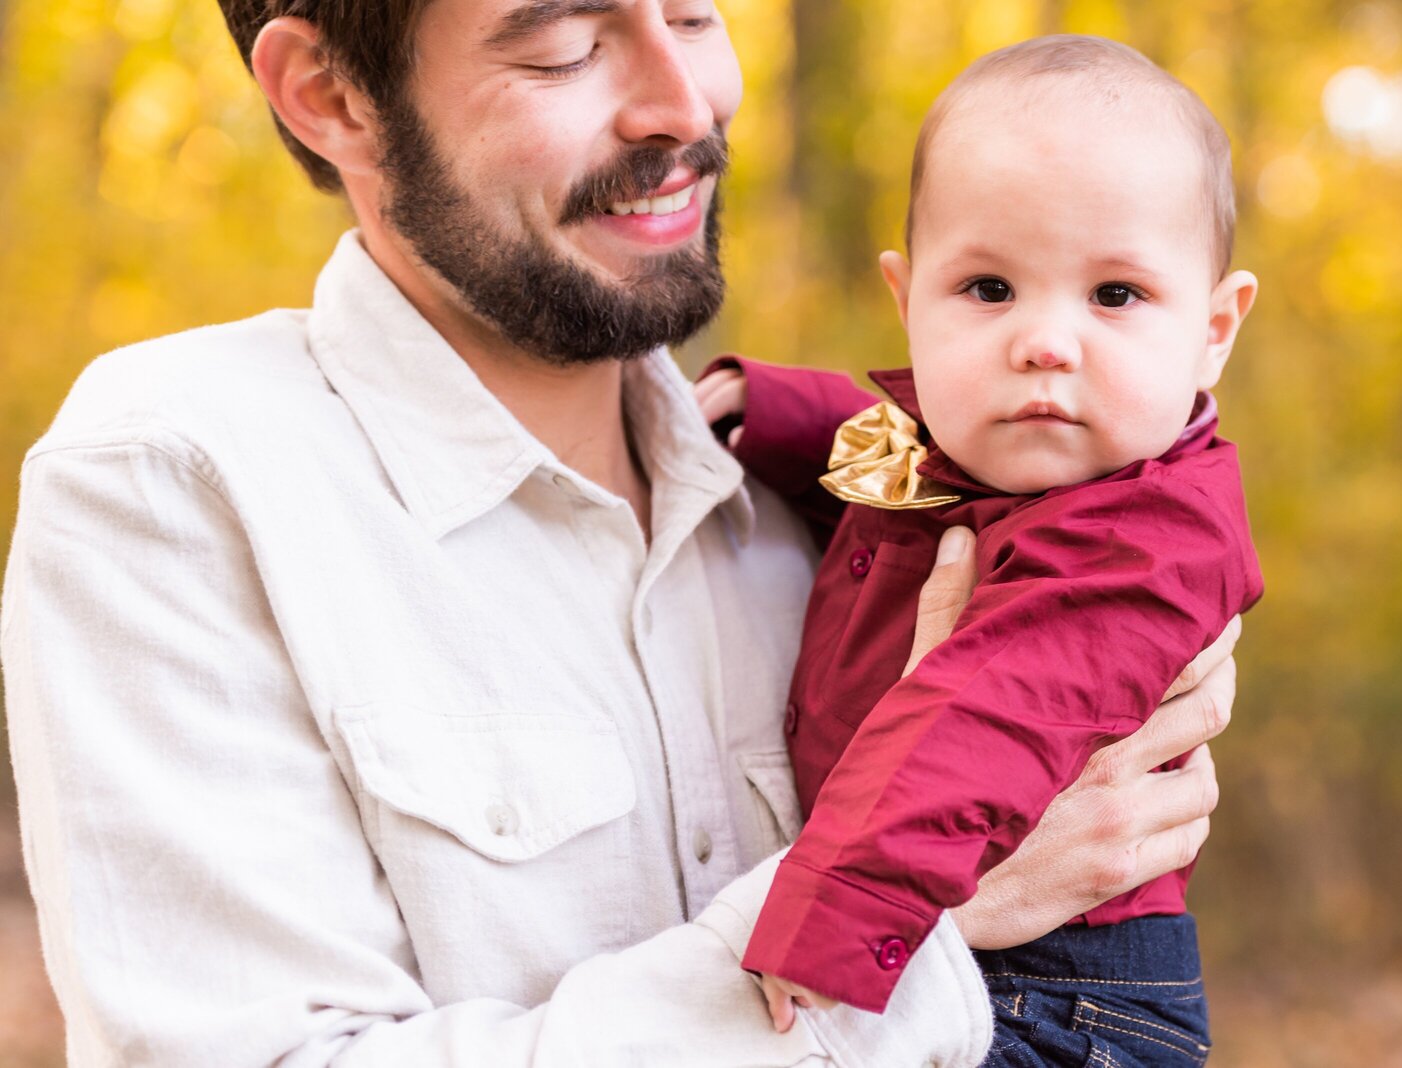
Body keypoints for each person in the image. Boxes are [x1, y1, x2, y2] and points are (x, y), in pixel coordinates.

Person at [1, 4, 1237, 1065]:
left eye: (695, 14)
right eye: (564, 45)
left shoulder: (833, 498)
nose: (682, 101)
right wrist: (928, 935)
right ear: (332, 97)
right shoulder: (176, 481)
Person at [696, 36, 1261, 1066]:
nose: (1044, 340)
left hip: (1057, 1002)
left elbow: (985, 711)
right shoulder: (986, 454)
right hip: (931, 939)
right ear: (907, 301)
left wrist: (833, 911)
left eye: (1116, 296)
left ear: (1215, 327)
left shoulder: (1151, 536)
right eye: (989, 289)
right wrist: (774, 413)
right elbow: (901, 445)